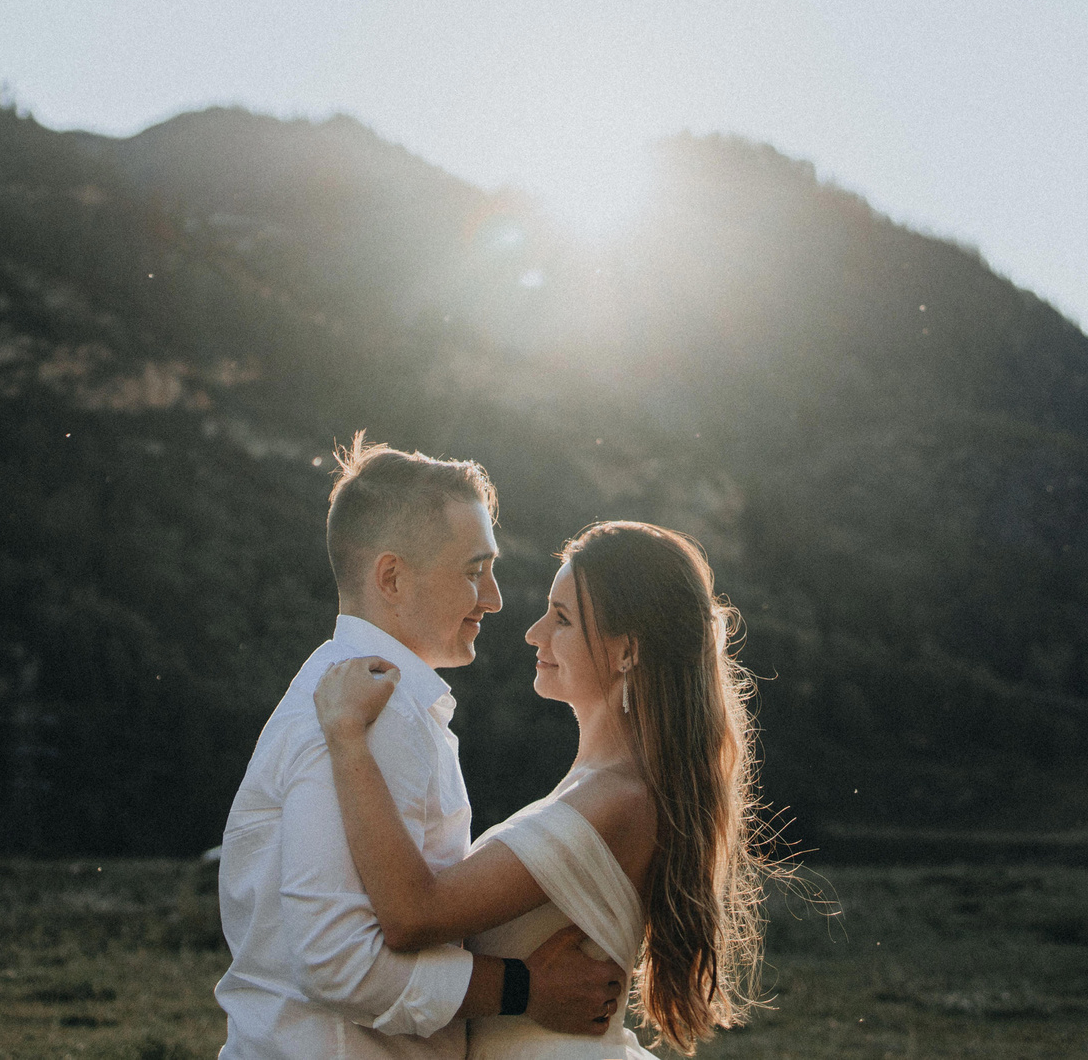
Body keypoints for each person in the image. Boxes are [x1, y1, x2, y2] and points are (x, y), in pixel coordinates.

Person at [216, 436, 623, 1060]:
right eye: (473, 570)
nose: (494, 598)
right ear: (392, 577)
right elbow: (336, 960)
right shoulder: (375, 711)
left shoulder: (368, 697)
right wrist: (525, 988)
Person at [312, 520, 779, 1057]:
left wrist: (347, 738)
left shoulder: (617, 798)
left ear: (628, 650)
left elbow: (414, 916)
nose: (534, 633)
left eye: (562, 619)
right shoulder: (599, 787)